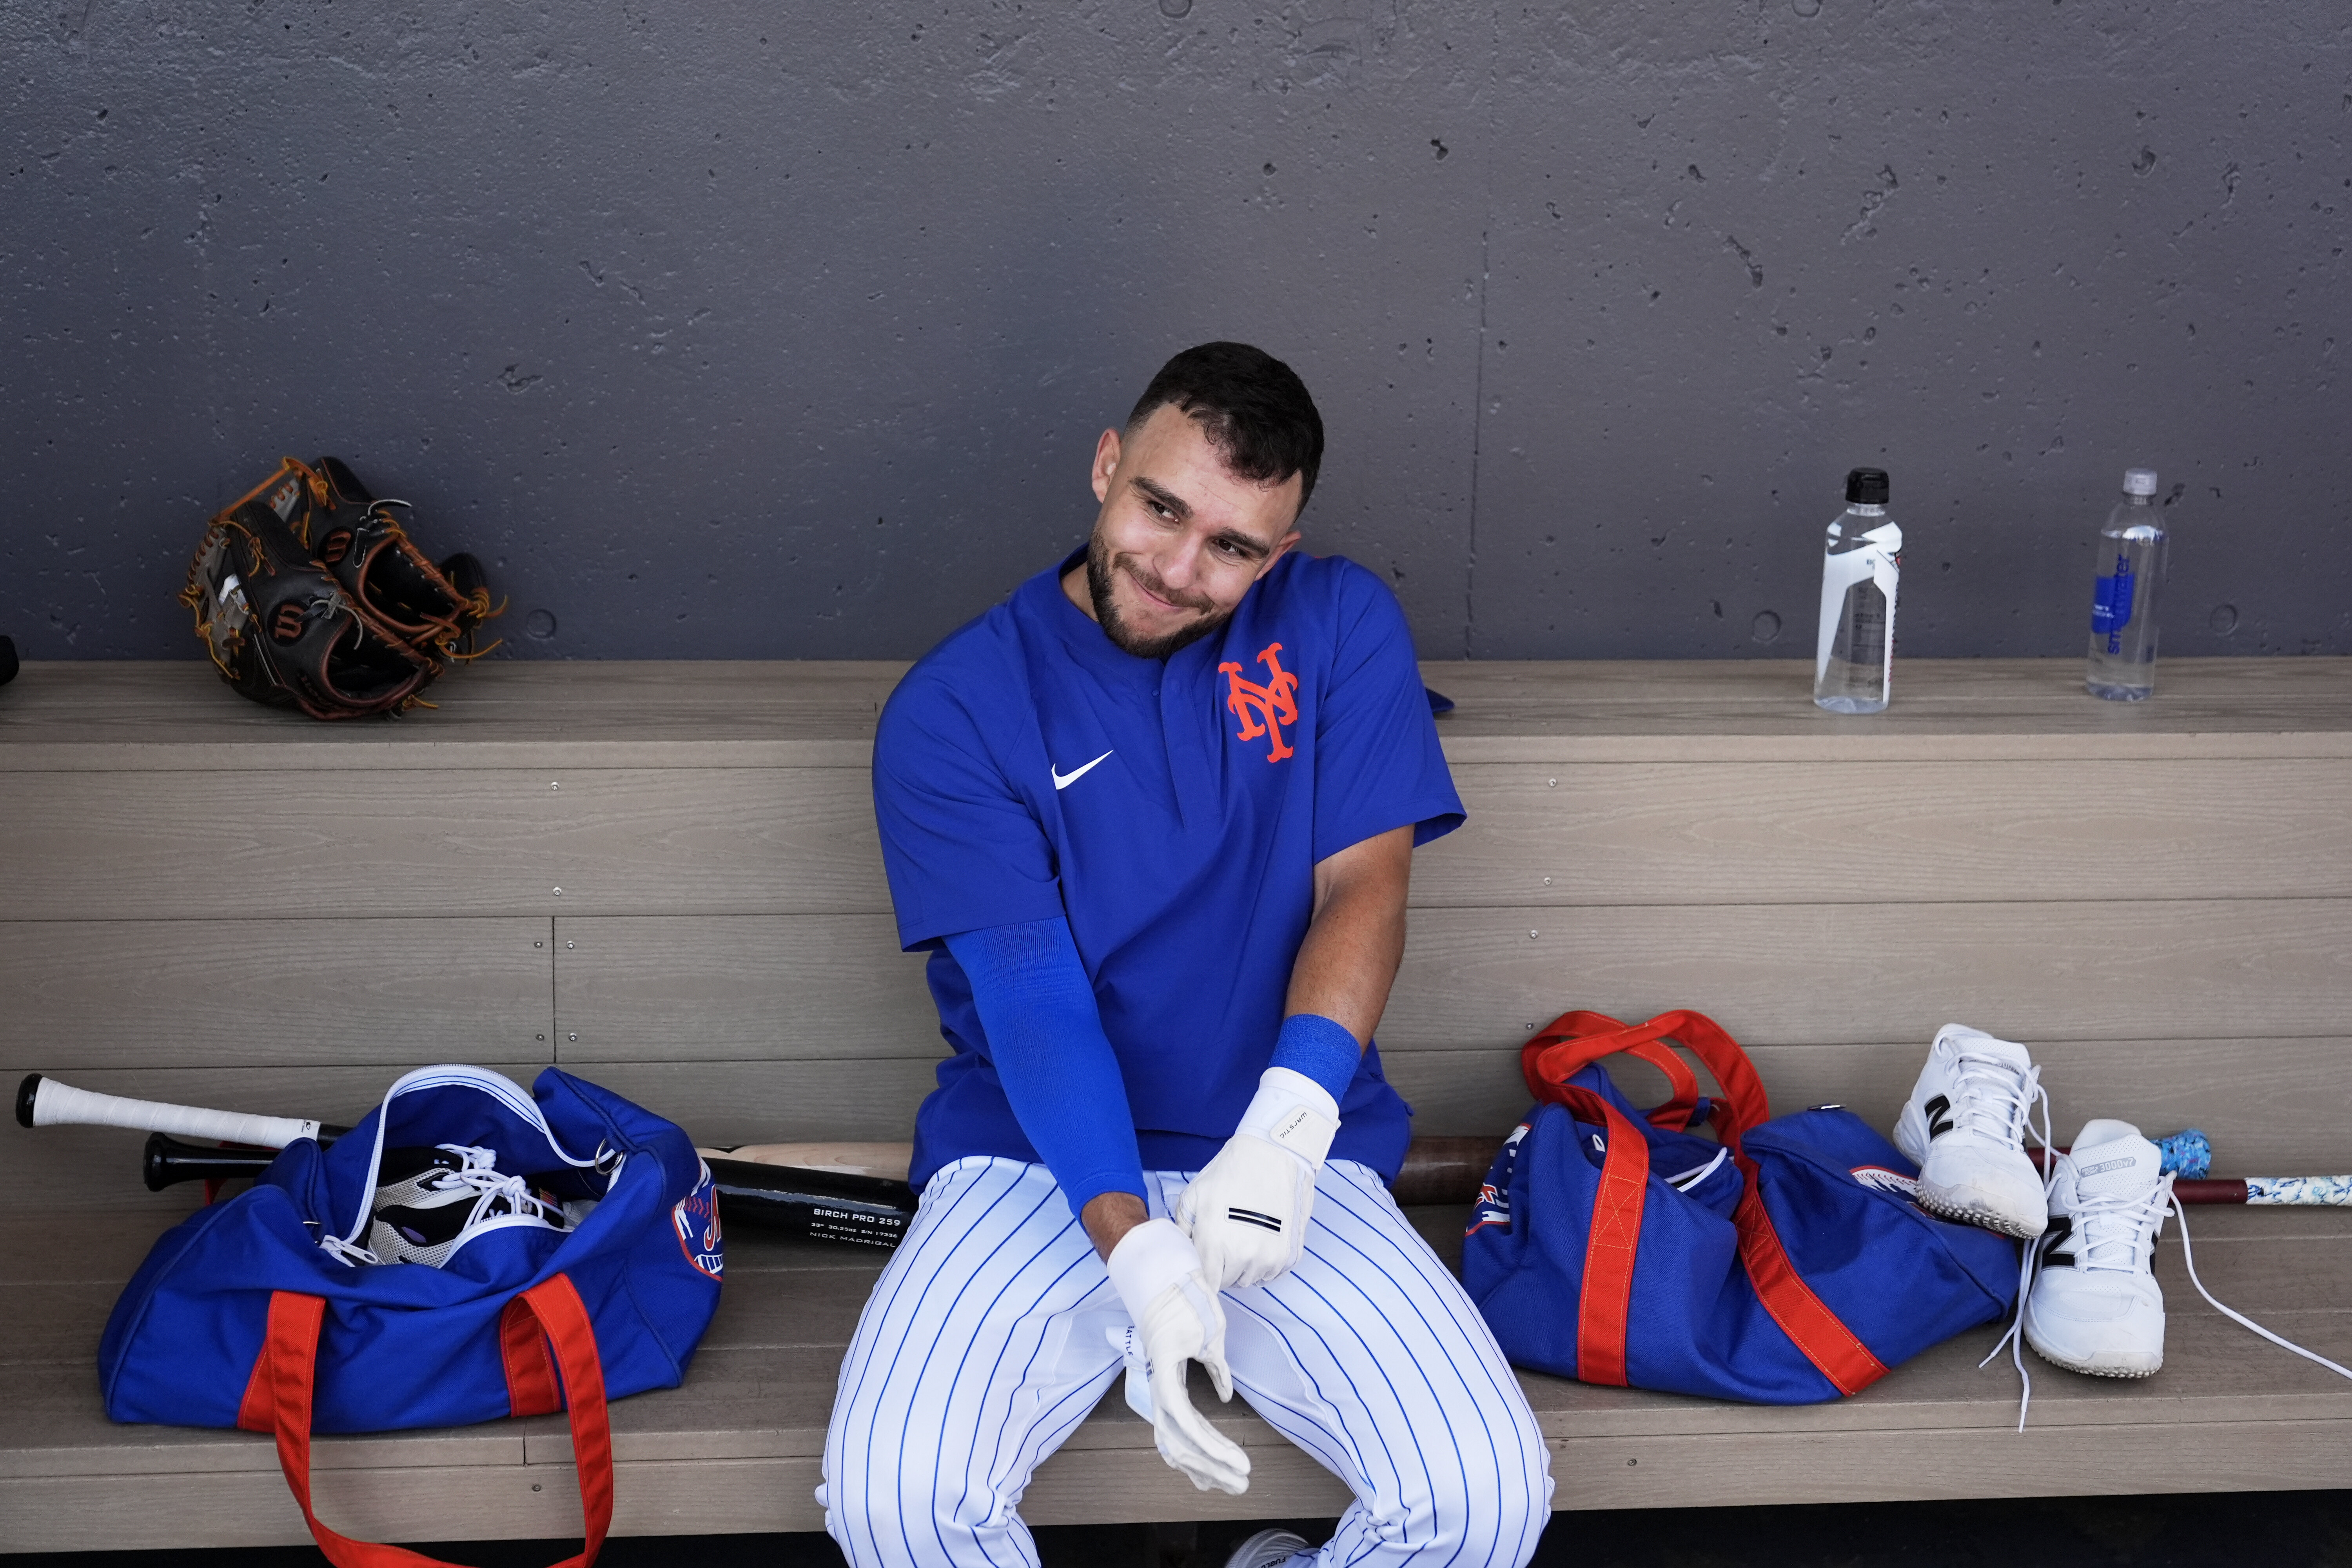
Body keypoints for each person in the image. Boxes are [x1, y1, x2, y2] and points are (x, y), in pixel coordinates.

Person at [820, 342, 1552, 1568]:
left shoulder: (1334, 621)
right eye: (1160, 509)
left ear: (1283, 552)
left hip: (1284, 1151)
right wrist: (1140, 1253)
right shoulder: (960, 706)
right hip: (1034, 1162)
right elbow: (1034, 1002)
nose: (1177, 569)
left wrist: (1289, 1128)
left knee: (1483, 1500)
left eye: (1234, 546)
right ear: (1109, 466)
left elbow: (1364, 888)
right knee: (893, 1500)